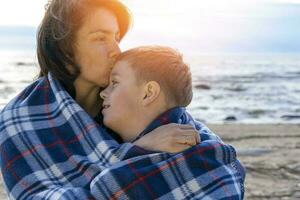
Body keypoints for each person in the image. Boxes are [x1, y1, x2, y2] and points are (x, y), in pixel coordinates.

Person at [0, 0, 229, 199]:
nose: (116, 50)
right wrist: (139, 150)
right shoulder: (19, 121)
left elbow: (215, 158)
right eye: (100, 38)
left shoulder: (127, 100)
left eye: (117, 37)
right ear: (65, 47)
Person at [91, 46, 245, 199]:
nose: (103, 93)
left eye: (115, 83)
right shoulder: (97, 145)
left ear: (148, 93)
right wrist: (139, 147)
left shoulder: (202, 159)